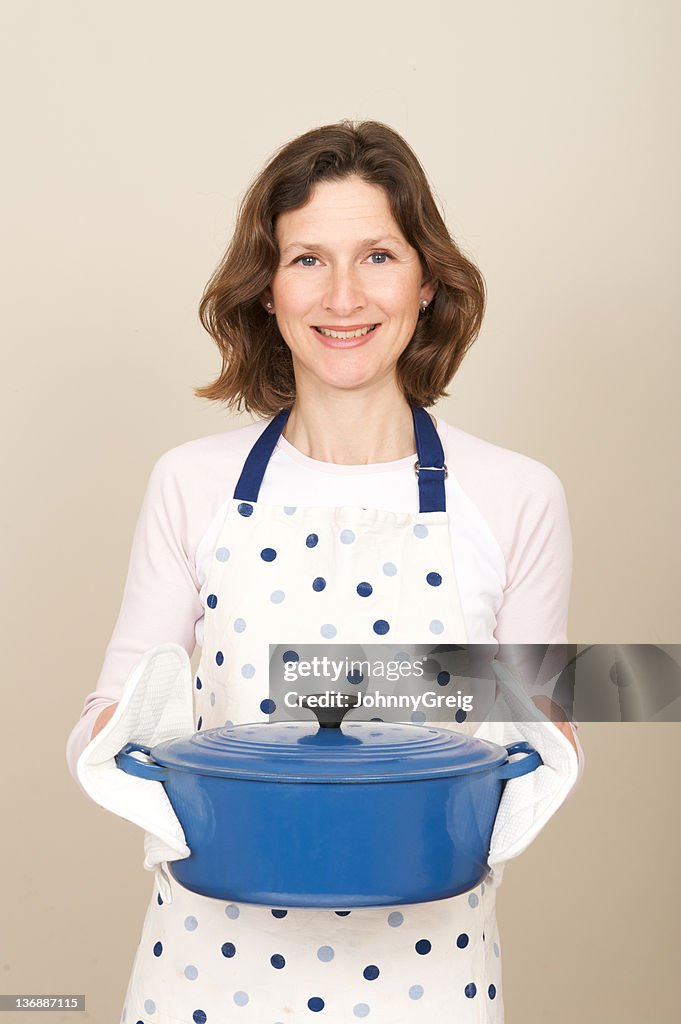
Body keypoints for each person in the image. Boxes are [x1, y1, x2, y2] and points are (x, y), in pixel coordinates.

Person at [67, 119, 583, 1023]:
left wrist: (330, 683)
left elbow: (544, 735)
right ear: (266, 292)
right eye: (307, 259)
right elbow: (104, 723)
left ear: (425, 283)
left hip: (432, 974)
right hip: (206, 969)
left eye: (377, 255)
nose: (342, 296)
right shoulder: (192, 483)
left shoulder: (517, 494)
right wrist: (147, 725)